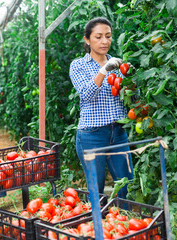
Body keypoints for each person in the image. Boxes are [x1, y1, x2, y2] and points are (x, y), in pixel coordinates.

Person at [69, 17, 134, 199]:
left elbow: (131, 99)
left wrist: (133, 82)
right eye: (98, 37)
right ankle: (97, 226)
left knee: (126, 185)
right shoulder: (78, 65)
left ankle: (123, 224)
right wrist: (104, 70)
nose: (104, 41)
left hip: (118, 132)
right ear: (87, 39)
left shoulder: (118, 64)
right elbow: (86, 94)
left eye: (108, 36)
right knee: (95, 190)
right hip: (92, 135)